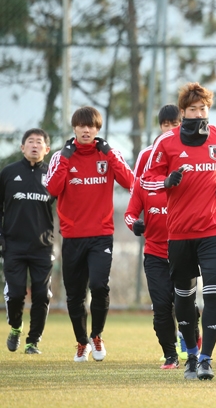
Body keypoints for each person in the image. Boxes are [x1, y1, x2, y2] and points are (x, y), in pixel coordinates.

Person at [141, 82, 216, 380]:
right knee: (184, 298)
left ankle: (207, 360)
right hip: (180, 233)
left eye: (203, 108)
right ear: (183, 111)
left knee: (212, 294)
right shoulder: (166, 142)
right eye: (193, 109)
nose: (199, 113)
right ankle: (191, 354)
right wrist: (166, 181)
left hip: (214, 231)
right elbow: (146, 179)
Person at [45, 107, 134, 362]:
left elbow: (131, 182)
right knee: (74, 294)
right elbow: (51, 189)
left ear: (97, 129)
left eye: (91, 126)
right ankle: (81, 341)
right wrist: (64, 158)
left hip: (101, 235)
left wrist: (110, 155)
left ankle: (96, 336)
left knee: (98, 286)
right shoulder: (61, 157)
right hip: (72, 237)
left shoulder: (108, 154)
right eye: (81, 126)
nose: (86, 130)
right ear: (74, 128)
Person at [125, 105, 185, 369]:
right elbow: (130, 212)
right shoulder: (145, 178)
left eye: (176, 123)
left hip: (184, 250)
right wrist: (136, 224)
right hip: (155, 253)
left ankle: (191, 343)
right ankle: (170, 354)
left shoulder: (190, 167)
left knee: (187, 306)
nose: (171, 129)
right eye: (166, 124)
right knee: (162, 306)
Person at [1, 129, 55, 354]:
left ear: (47, 149)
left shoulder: (53, 175)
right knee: (15, 294)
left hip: (42, 247)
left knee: (42, 295)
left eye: (39, 142)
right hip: (13, 246)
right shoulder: (8, 173)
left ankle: (33, 341)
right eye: (30, 142)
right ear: (22, 147)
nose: (34, 145)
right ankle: (15, 327)